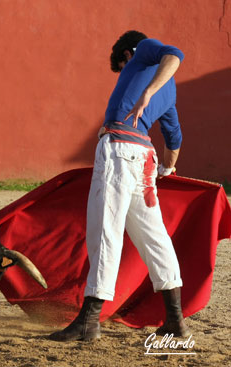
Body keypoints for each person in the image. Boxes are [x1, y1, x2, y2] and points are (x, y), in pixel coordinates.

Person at [49, 30, 190, 342]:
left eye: (122, 65)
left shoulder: (144, 49)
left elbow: (175, 53)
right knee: (155, 238)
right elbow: (174, 137)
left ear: (128, 54)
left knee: (105, 232)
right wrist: (168, 166)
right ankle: (176, 320)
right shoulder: (172, 92)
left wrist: (148, 93)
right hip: (144, 159)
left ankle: (88, 321)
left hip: (119, 150)